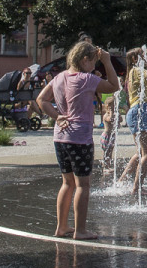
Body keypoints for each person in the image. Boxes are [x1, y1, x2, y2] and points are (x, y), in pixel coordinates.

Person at [37, 41, 120, 240]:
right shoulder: (86, 79)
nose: (95, 66)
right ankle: (80, 230)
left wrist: (57, 116)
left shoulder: (59, 77)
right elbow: (114, 86)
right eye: (93, 62)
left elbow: (41, 100)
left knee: (67, 183)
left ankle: (61, 227)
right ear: (84, 60)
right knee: (83, 184)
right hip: (80, 138)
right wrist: (108, 62)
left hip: (60, 137)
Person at [120, 47, 147, 195]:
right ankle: (137, 188)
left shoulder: (132, 72)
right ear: (134, 59)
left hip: (135, 111)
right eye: (142, 55)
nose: (145, 57)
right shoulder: (137, 70)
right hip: (141, 111)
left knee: (140, 152)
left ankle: (122, 181)